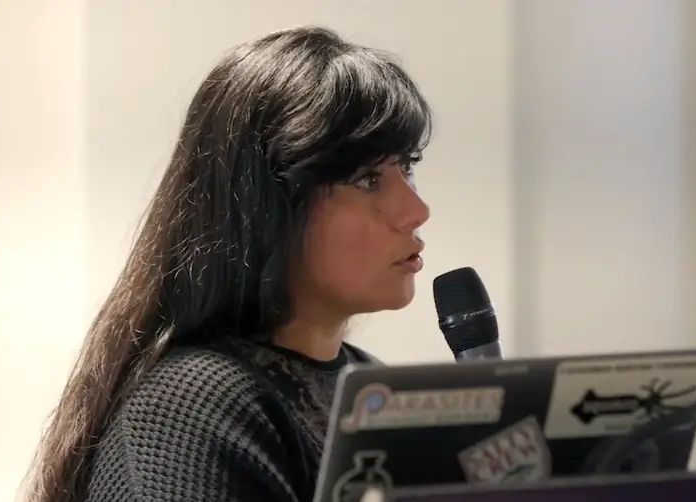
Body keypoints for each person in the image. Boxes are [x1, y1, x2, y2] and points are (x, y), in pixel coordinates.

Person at [23, 26, 431, 502]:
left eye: (408, 167)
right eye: (367, 179)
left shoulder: (369, 389)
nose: (416, 211)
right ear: (268, 202)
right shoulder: (193, 405)